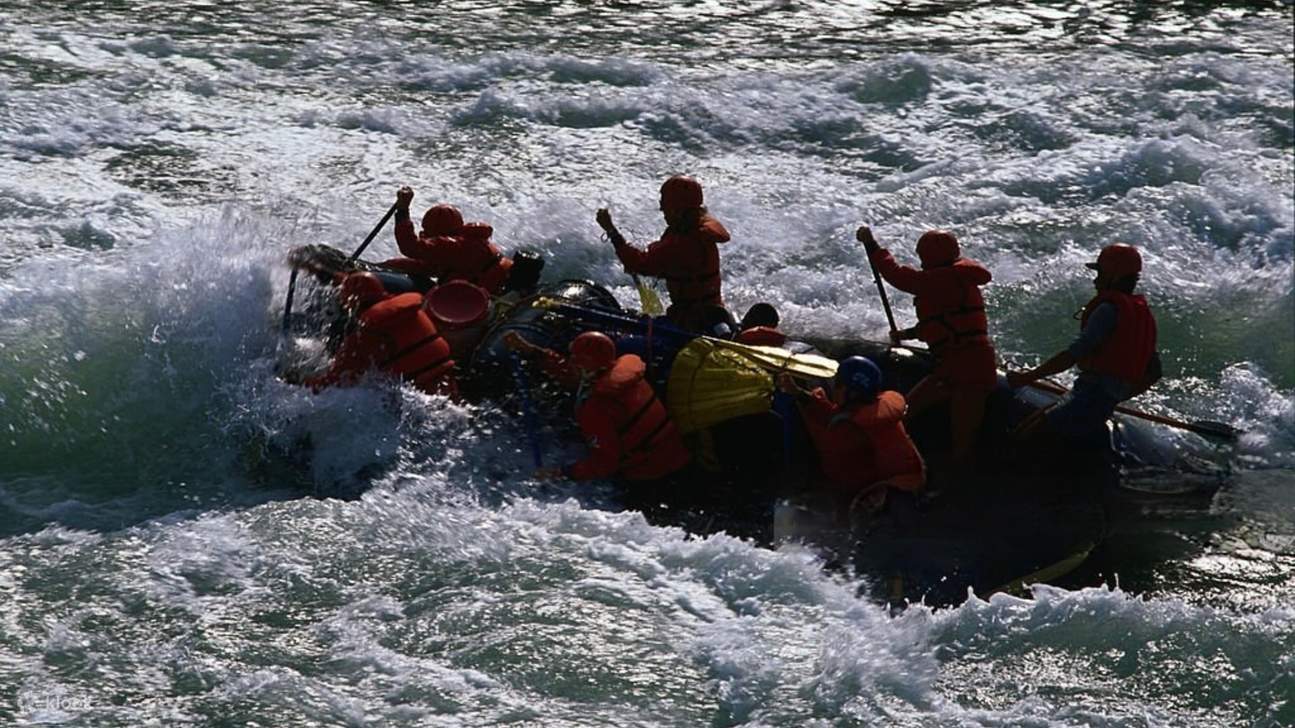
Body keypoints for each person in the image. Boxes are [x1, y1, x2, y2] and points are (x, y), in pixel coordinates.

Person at [857, 225, 997, 468]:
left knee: (961, 439)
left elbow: (897, 275)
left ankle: (955, 486)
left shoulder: (942, 278)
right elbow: (942, 324)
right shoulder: (954, 278)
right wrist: (907, 334)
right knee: (909, 410)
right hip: (957, 364)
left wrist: (871, 244)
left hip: (967, 367)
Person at [1007, 243, 1160, 444]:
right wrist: (1115, 397)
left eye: (1100, 274)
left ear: (1113, 276)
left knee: (1024, 438)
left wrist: (1027, 377)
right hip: (1093, 398)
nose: (1095, 281)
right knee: (1033, 423)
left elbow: (1073, 355)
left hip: (1089, 398)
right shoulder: (1142, 314)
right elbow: (1154, 372)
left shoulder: (1108, 310)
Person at [504, 331, 691, 482]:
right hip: (678, 455)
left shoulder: (596, 408)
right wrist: (530, 350)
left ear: (586, 368)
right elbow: (569, 372)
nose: (571, 363)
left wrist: (560, 473)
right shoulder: (622, 375)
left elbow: (605, 464)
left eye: (575, 360)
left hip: (649, 475)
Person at [778, 356, 925, 518]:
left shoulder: (851, 429)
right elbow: (834, 415)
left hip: (887, 497)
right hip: (907, 484)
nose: (834, 388)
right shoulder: (873, 409)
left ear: (851, 392)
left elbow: (830, 437)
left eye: (838, 384)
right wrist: (799, 394)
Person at [597, 175, 732, 332]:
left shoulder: (681, 243)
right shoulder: (700, 228)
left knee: (625, 340)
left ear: (677, 208)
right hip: (713, 313)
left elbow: (638, 263)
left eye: (666, 205)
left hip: (690, 323)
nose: (662, 210)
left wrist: (611, 230)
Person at [304, 272, 458, 397]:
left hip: (414, 394)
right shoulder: (414, 309)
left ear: (350, 306)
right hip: (447, 375)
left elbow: (335, 381)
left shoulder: (363, 335)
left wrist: (297, 381)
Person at [385, 186, 514, 295]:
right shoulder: (468, 243)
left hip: (488, 297)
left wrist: (402, 210)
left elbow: (410, 247)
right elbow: (428, 266)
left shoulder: (451, 245)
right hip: (500, 288)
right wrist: (385, 266)